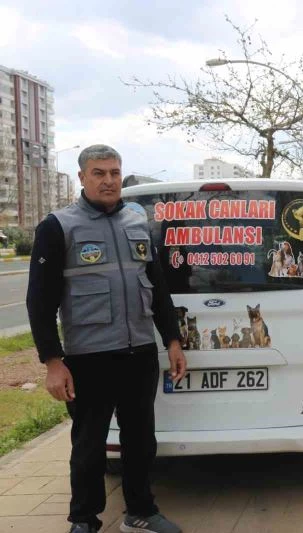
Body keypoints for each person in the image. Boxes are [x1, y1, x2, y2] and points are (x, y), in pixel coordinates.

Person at [26, 145, 187, 533]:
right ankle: (84, 519)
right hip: (87, 359)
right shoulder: (57, 227)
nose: (109, 180)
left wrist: (173, 340)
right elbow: (40, 301)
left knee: (140, 442)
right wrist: (53, 362)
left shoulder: (138, 224)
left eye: (114, 172)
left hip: (139, 354)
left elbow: (158, 288)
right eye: (99, 173)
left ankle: (140, 513)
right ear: (82, 178)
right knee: (88, 449)